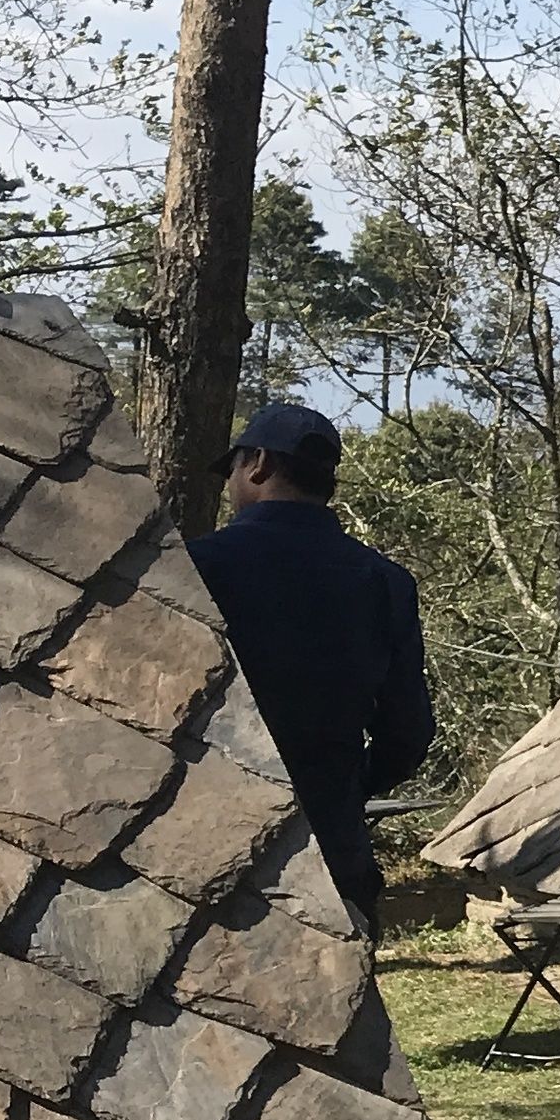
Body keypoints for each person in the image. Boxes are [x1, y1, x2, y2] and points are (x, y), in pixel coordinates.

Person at [186, 401, 434, 936]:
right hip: (330, 841)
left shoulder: (194, 568)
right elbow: (408, 732)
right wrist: (346, 785)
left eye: (232, 468)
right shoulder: (384, 581)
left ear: (257, 464)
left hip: (206, 832)